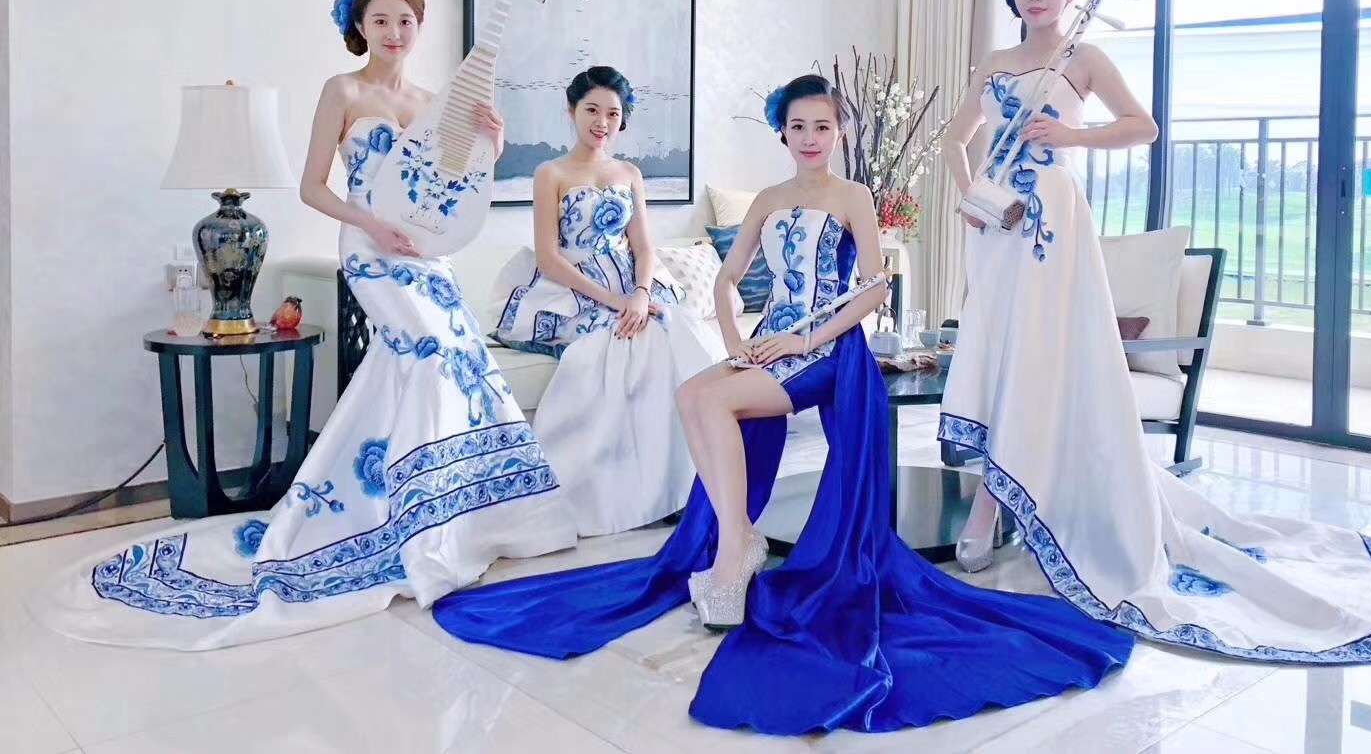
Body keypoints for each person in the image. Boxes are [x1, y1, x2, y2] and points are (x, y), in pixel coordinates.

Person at [432, 74, 1134, 736]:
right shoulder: (769, 197)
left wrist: (805, 337)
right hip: (770, 342)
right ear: (783, 133)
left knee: (712, 406)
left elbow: (873, 288)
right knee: (693, 393)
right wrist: (737, 340)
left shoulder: (854, 196)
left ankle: (737, 547)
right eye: (798, 127)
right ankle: (740, 536)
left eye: (822, 126)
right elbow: (727, 280)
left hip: (828, 350)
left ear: (838, 132)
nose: (810, 138)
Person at [31, 0, 575, 649]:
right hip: (370, 249)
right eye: (381, 20)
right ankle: (420, 523)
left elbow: (452, 185)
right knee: (431, 354)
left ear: (419, 26)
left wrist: (493, 139)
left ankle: (463, 517)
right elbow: (313, 186)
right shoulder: (342, 91)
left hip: (424, 253)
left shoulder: (432, 102)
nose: (395, 33)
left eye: (406, 21)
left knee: (453, 361)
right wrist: (371, 225)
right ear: (360, 26)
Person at [939, 0, 1371, 664]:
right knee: (996, 349)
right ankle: (997, 488)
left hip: (1055, 220)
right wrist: (973, 199)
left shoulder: (1084, 56)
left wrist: (1072, 134)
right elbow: (956, 141)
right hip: (998, 225)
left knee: (1042, 354)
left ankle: (995, 500)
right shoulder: (993, 62)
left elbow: (1143, 126)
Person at [494, 66, 723, 535]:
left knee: (676, 335)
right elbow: (549, 256)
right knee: (621, 345)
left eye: (613, 114)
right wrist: (614, 301)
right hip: (576, 291)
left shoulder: (630, 173)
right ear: (572, 111)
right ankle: (615, 493)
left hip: (634, 286)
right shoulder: (551, 173)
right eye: (592, 110)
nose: (602, 122)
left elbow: (644, 248)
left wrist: (639, 294)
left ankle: (684, 487)